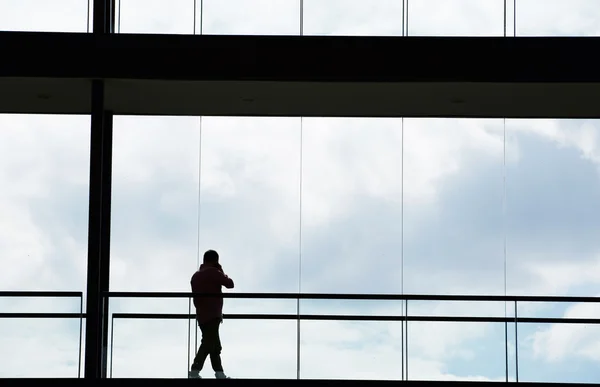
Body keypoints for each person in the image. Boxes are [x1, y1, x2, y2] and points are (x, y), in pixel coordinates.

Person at [188, 249, 235, 379]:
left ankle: (219, 373)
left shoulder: (195, 276)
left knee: (213, 343)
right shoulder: (214, 272)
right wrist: (221, 271)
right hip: (213, 313)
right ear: (215, 260)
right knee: (210, 343)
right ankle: (195, 370)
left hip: (201, 314)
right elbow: (230, 284)